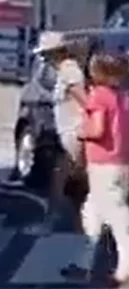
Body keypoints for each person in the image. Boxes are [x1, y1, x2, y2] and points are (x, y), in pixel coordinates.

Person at [61, 52, 129, 286]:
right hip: (121, 161)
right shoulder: (125, 97)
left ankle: (128, 264)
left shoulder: (99, 96)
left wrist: (80, 132)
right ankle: (85, 263)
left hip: (103, 162)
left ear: (98, 73)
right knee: (92, 212)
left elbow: (97, 130)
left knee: (116, 214)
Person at [33, 31, 87, 234]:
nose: (45, 59)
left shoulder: (69, 72)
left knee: (60, 181)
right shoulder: (65, 71)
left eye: (46, 55)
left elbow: (86, 102)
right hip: (68, 134)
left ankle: (50, 224)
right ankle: (78, 226)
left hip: (74, 134)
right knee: (72, 187)